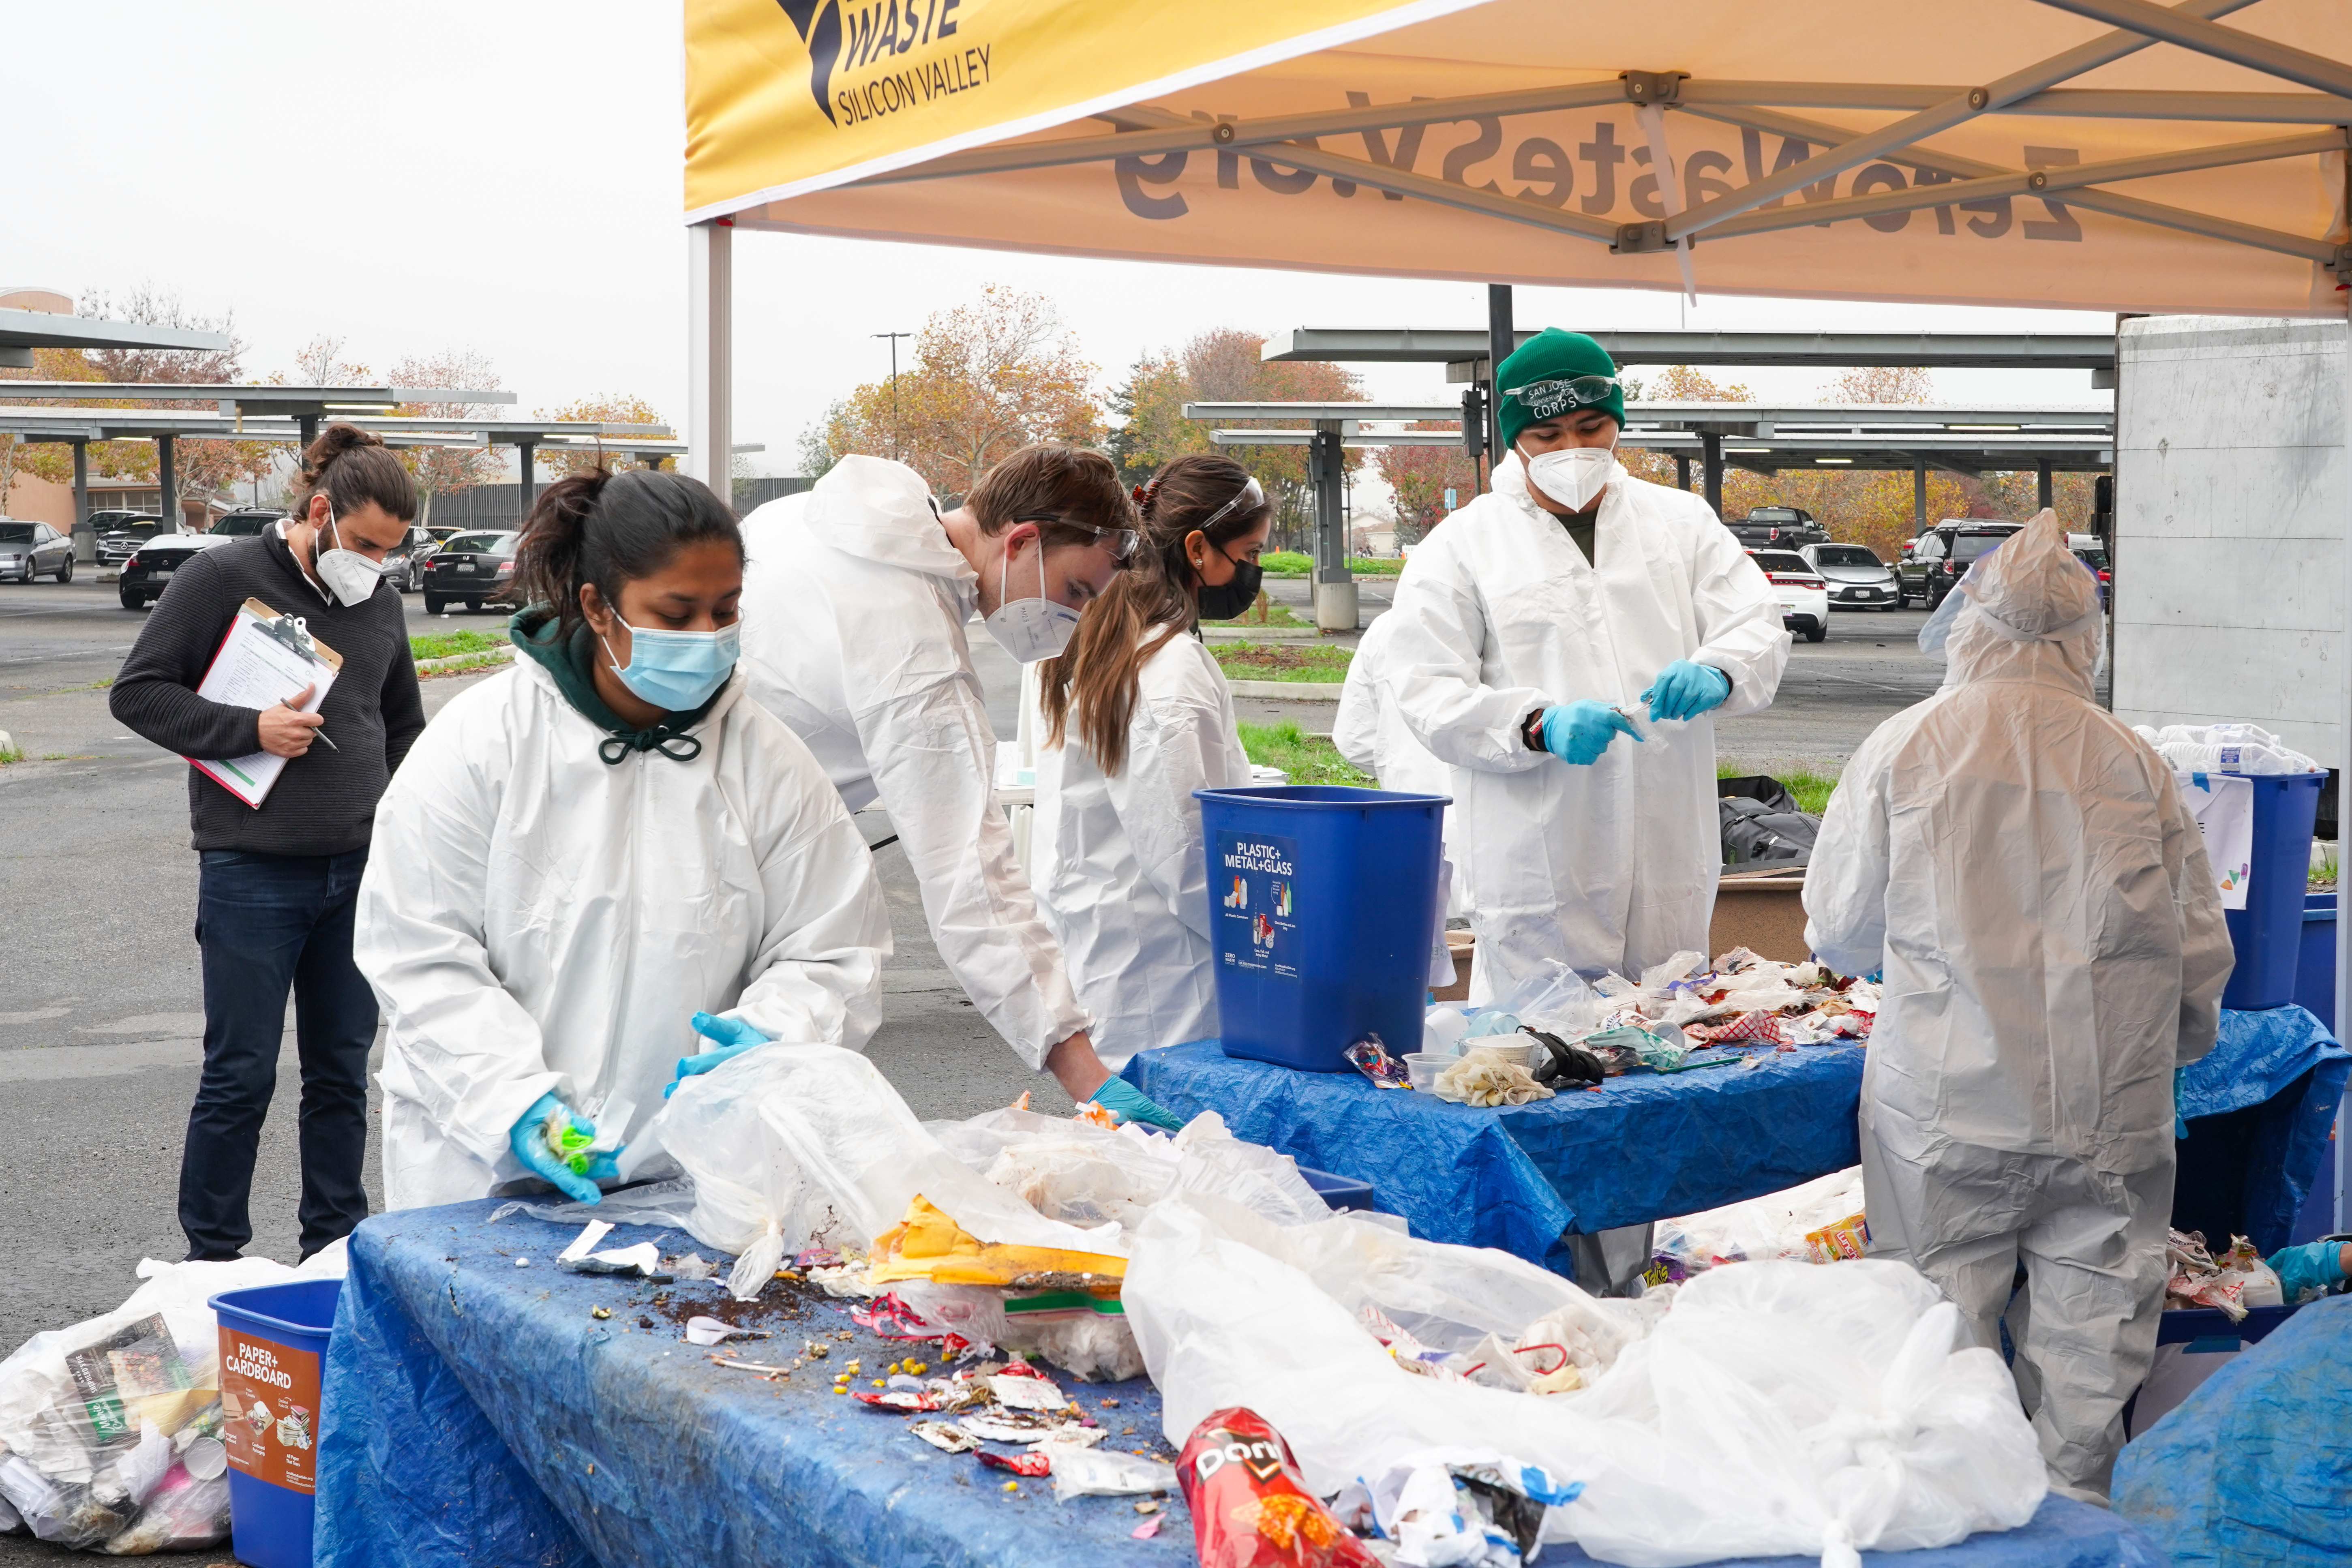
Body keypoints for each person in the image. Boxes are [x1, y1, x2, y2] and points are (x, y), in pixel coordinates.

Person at [1803, 509, 2234, 1504]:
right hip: (2107, 1108)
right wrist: (2170, 1051)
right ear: (2090, 639)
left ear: (1970, 623)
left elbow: (1839, 930)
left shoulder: (1908, 744)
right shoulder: (2135, 761)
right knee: (2090, 1355)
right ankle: (2074, 1528)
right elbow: (2199, 949)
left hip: (1945, 1105)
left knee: (1934, 1334)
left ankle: (1952, 1514)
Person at [353, 468, 890, 1207]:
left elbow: (830, 944)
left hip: (694, 1178)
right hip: (482, 1168)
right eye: (676, 614)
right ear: (597, 608)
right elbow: (418, 951)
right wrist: (512, 1102)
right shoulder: (480, 742)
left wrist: (776, 1035)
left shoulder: (767, 758)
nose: (708, 637)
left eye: (725, 610)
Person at [737, 445, 1181, 1128]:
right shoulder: (916, 650)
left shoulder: (815, 516)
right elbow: (973, 883)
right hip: (726, 864)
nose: (1076, 618)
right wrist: (1087, 1074)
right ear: (1024, 539)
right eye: (1075, 592)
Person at [1381, 328, 1789, 994]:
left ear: (1618, 425)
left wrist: (1718, 669)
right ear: (1516, 438)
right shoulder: (1463, 544)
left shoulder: (1680, 523)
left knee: (1668, 1021)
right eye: (1546, 436)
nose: (1572, 450)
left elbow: (1756, 623)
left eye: (1590, 427)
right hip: (1539, 847)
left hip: (1665, 836)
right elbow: (1426, 689)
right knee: (1536, 1048)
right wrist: (1537, 724)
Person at [109, 424, 424, 1261]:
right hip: (251, 870)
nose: (374, 564)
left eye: (390, 552)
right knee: (240, 1073)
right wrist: (250, 727)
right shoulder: (222, 576)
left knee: (340, 1075)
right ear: (319, 510)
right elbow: (139, 694)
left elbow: (401, 726)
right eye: (362, 543)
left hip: (356, 874)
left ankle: (333, 1249)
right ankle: (211, 1259)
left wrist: (398, 829)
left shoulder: (379, 602)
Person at [1028, 456, 1265, 1066]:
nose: (1253, 571)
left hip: (1108, 946)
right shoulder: (1168, 663)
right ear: (1196, 548)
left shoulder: (1093, 635)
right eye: (1251, 551)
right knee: (1178, 1147)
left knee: (1122, 1144)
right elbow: (1185, 851)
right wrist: (1275, 943)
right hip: (1169, 971)